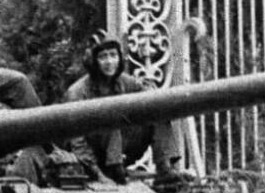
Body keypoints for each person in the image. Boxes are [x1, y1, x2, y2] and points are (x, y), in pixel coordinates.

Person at [63, 30, 184, 184]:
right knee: (111, 115)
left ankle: (164, 168)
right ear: (93, 61)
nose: (109, 62)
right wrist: (98, 174)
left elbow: (148, 96)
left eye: (113, 55)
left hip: (122, 150)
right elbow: (76, 142)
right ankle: (114, 170)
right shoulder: (77, 92)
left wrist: (152, 93)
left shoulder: (124, 82)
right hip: (91, 155)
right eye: (103, 57)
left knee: (156, 108)